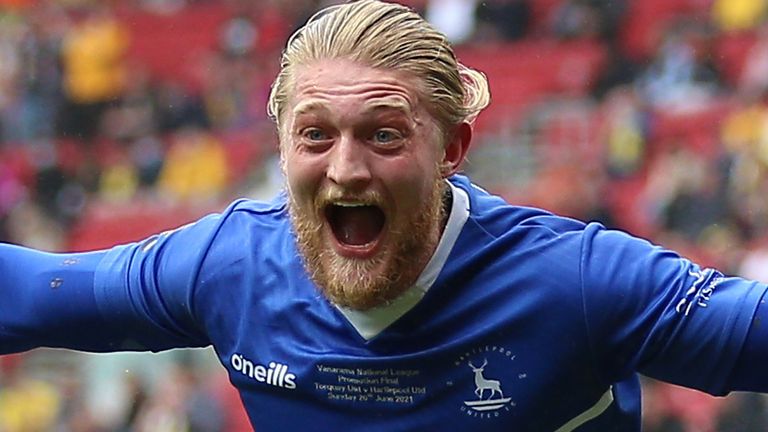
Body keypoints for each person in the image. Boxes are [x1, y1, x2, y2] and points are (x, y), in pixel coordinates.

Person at [1, 1, 768, 430]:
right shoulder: (229, 267)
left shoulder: (579, 282)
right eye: (314, 135)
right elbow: (27, 293)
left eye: (384, 134)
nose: (345, 167)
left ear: (453, 147)